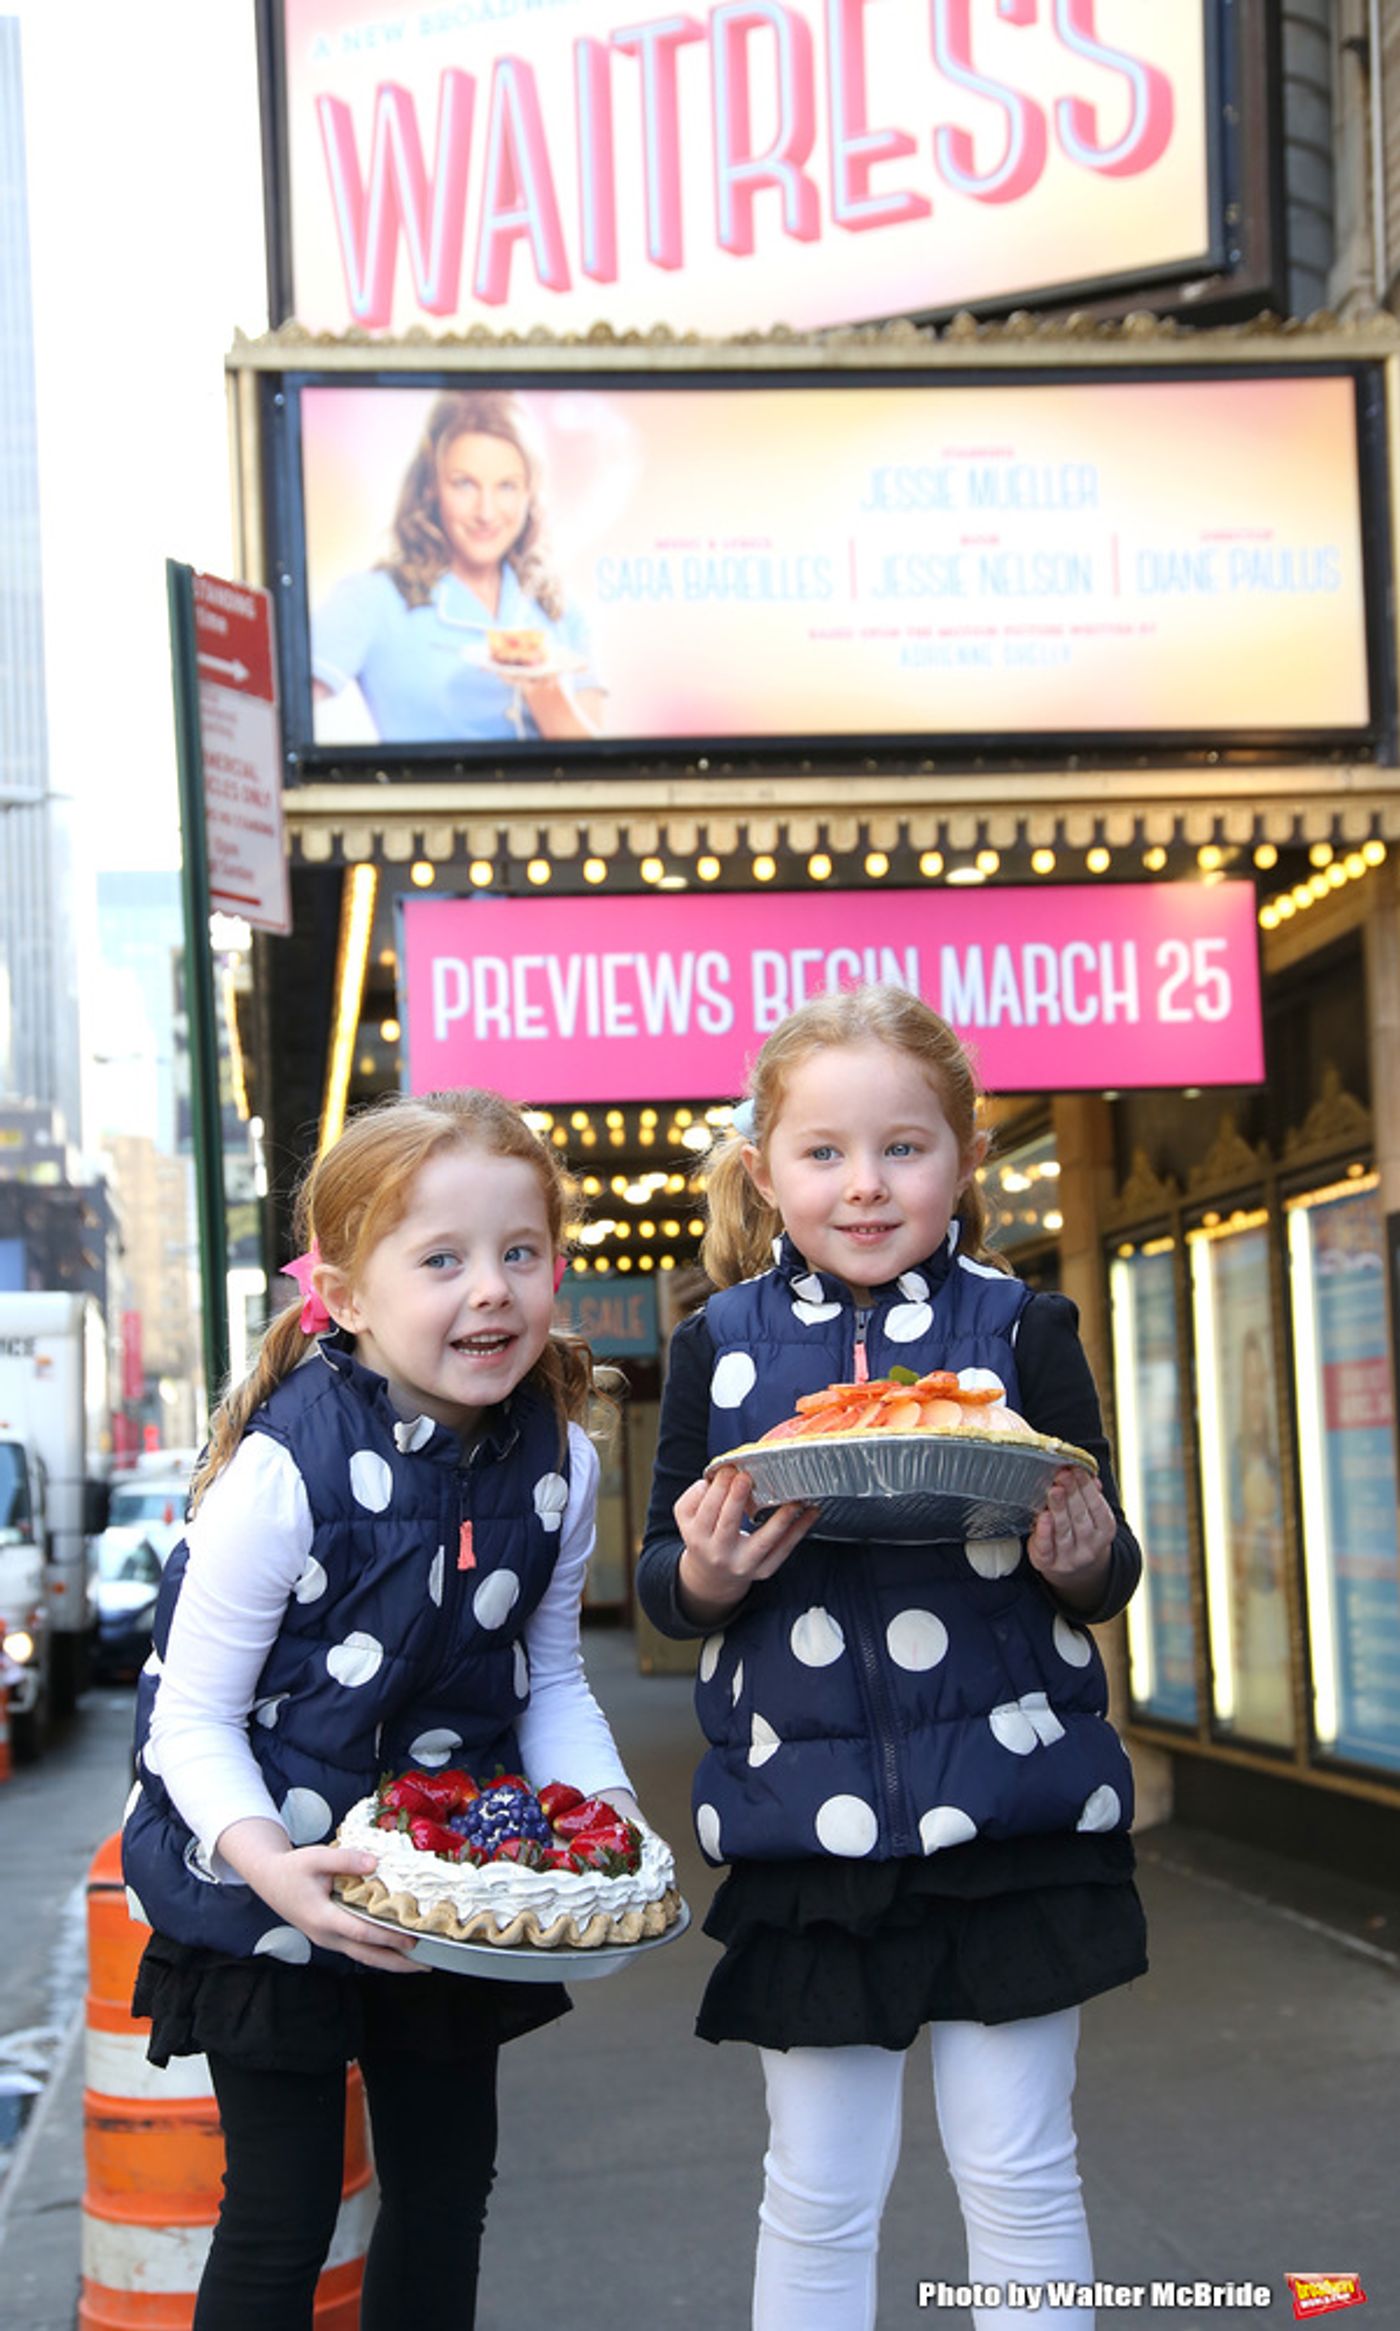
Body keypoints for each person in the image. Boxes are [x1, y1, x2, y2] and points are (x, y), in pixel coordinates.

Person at [637, 985, 1146, 2331]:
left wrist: (1080, 1554)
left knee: (1020, 2177)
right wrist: (706, 1574)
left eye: (903, 1147)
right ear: (766, 1172)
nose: (864, 1183)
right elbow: (663, 1583)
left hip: (1018, 1818)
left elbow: (1107, 1568)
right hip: (803, 1834)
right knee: (816, 2192)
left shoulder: (1024, 1329)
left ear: (966, 1159)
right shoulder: (713, 1345)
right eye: (824, 1151)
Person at [122, 1089, 655, 2331]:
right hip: (265, 1872)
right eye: (442, 1260)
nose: (492, 1290)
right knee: (282, 2212)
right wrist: (273, 1869)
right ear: (345, 1295)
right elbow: (188, 1722)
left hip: (447, 1880)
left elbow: (549, 1679)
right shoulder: (282, 1468)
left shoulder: (561, 1459)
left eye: (520, 1252)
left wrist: (612, 1823)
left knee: (444, 2195)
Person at [311, 388, 605, 744]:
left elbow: (598, 766)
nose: (486, 513)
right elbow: (280, 713)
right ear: (430, 486)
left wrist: (543, 689)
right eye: (464, 484)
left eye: (507, 486)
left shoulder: (560, 610)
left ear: (529, 492)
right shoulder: (371, 599)